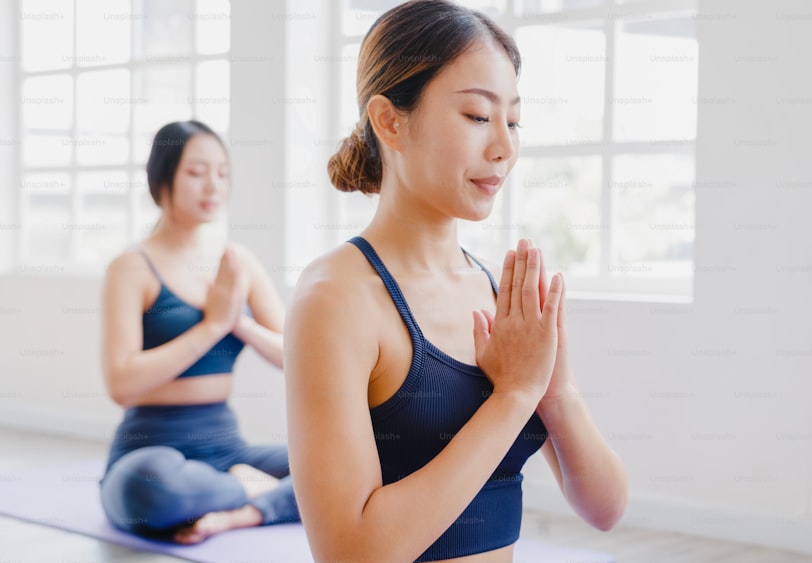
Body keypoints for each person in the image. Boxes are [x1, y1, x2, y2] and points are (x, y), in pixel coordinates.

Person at [285, 1, 628, 561]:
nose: (504, 147)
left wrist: (553, 389)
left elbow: (606, 509)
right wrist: (514, 395)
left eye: (513, 121)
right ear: (390, 120)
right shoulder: (336, 297)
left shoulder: (497, 292)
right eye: (477, 116)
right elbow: (350, 553)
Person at [99, 120, 299, 544]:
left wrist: (237, 322)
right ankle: (250, 491)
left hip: (228, 449)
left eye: (222, 173)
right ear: (163, 176)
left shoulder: (237, 262)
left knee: (353, 464)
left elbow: (296, 357)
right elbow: (122, 384)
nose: (213, 185)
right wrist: (212, 327)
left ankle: (239, 512)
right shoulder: (132, 267)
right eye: (196, 172)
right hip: (150, 451)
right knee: (151, 489)